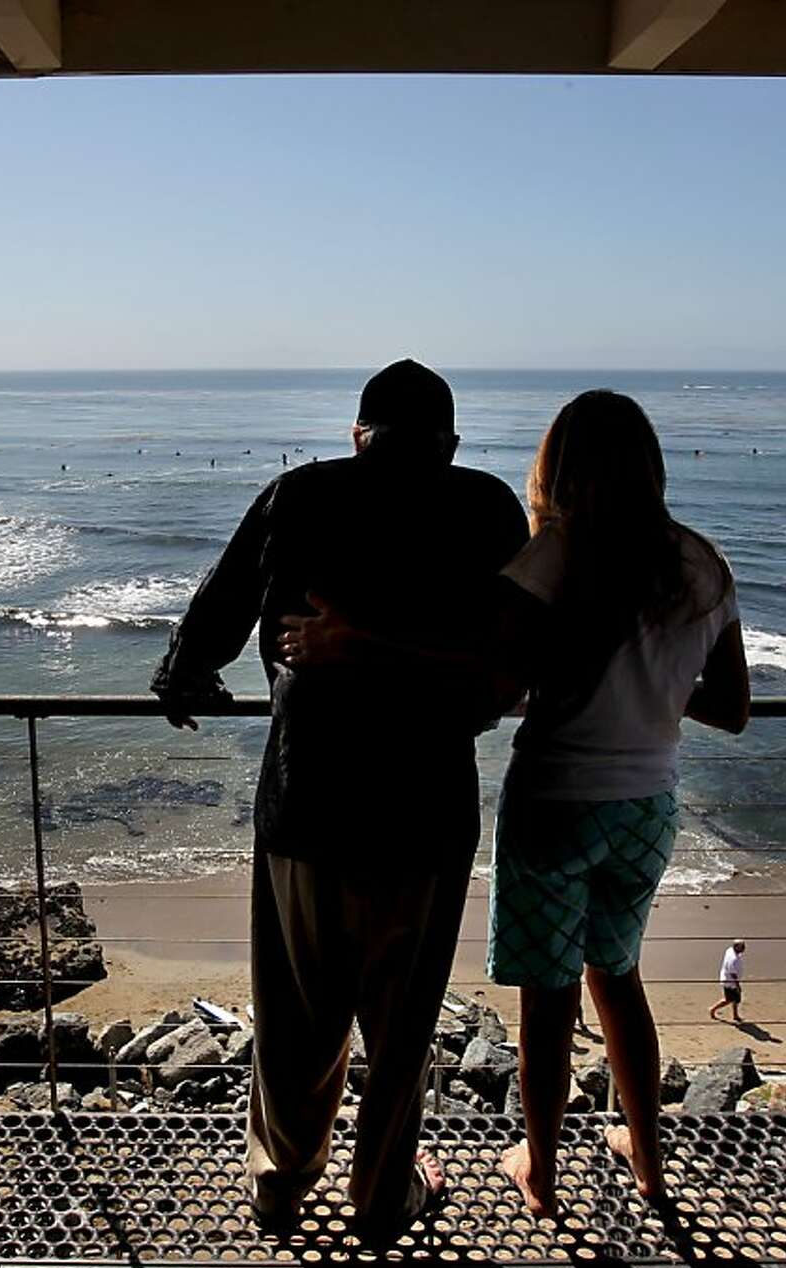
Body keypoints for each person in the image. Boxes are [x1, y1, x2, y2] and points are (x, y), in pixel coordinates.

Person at [279, 389, 750, 1219]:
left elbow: (486, 680)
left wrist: (356, 644)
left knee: (548, 999)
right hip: (647, 806)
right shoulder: (701, 561)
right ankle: (648, 1164)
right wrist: (652, 687)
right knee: (620, 980)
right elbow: (732, 705)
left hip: (557, 800)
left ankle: (541, 1171)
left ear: (558, 466)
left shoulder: (556, 554)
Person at [152, 359, 528, 1244]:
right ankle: (382, 1195)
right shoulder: (487, 508)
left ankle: (280, 1182)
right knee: (402, 1028)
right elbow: (510, 668)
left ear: (357, 435)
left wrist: (183, 671)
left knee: (295, 1014)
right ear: (451, 443)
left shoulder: (300, 495)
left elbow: (220, 605)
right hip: (425, 814)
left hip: (306, 802)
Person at [709, 940, 746, 1022]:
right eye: (741, 947)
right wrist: (737, 985)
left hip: (728, 979)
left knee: (736, 999)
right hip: (730, 982)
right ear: (736, 947)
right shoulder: (733, 959)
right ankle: (713, 1009)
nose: (744, 948)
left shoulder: (730, 950)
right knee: (728, 1000)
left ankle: (735, 1015)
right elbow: (733, 973)